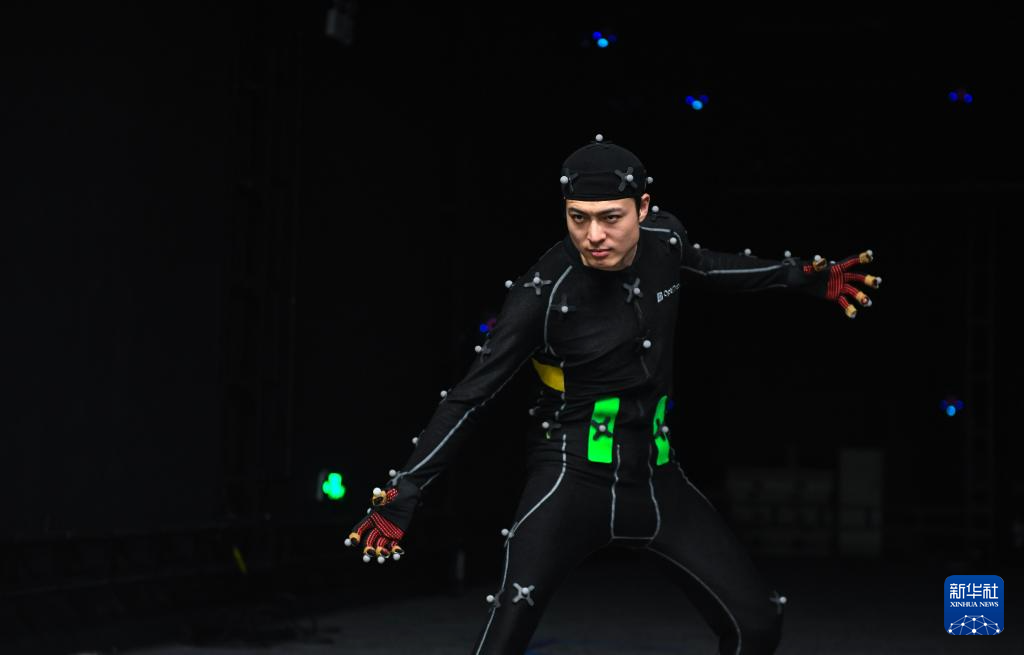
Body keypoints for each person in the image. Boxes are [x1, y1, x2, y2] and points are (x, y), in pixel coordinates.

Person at [344, 134, 882, 654]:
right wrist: (405, 490)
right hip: (569, 477)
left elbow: (710, 266)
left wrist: (802, 277)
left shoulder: (665, 241)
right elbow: (471, 395)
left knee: (758, 624)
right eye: (578, 218)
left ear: (642, 208)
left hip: (658, 479)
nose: (593, 235)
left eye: (610, 217)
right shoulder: (542, 293)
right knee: (502, 640)